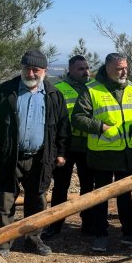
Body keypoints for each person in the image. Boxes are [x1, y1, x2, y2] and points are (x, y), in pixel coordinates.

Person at [0, 49, 70, 257]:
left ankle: (33, 240)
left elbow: (63, 127)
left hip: (40, 157)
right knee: (4, 200)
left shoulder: (54, 95)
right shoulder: (5, 91)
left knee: (37, 199)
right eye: (27, 69)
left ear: (44, 71)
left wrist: (61, 152)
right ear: (22, 69)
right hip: (7, 157)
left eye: (35, 70)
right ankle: (3, 243)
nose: (31, 73)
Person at [71, 52, 132, 252]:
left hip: (126, 152)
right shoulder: (92, 89)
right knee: (101, 196)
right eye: (119, 68)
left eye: (125, 67)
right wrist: (102, 128)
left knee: (125, 195)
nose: (123, 71)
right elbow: (78, 118)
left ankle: (129, 233)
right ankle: (101, 234)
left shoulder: (130, 87)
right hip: (103, 153)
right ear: (107, 69)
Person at [42, 55, 95, 239]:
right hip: (66, 146)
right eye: (80, 68)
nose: (85, 71)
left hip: (88, 146)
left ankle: (89, 223)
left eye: (86, 68)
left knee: (88, 186)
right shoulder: (59, 89)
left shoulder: (93, 88)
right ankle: (55, 224)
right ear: (70, 70)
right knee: (60, 187)